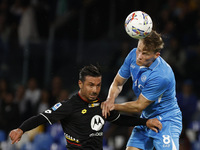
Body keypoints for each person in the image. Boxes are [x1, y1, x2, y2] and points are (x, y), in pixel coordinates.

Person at [9, 64, 162, 150]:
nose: (95, 90)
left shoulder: (101, 104)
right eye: (90, 85)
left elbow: (119, 120)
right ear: (80, 84)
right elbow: (41, 118)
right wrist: (21, 129)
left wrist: (145, 122)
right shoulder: (68, 106)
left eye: (98, 85)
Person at [101, 30, 182, 150]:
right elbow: (118, 83)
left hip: (166, 120)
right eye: (139, 49)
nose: (139, 56)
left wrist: (114, 106)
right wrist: (110, 99)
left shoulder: (161, 75)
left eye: (145, 53)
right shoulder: (133, 55)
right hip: (146, 118)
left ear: (156, 55)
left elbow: (138, 106)